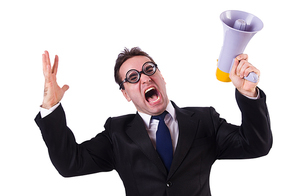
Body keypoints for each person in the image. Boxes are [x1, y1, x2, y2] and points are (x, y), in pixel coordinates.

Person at [35, 47, 272, 196]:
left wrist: (248, 93)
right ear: (126, 94)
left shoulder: (204, 120)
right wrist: (51, 108)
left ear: (162, 77)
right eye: (132, 77)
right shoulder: (117, 133)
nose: (145, 78)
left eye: (149, 69)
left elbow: (256, 145)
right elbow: (70, 164)